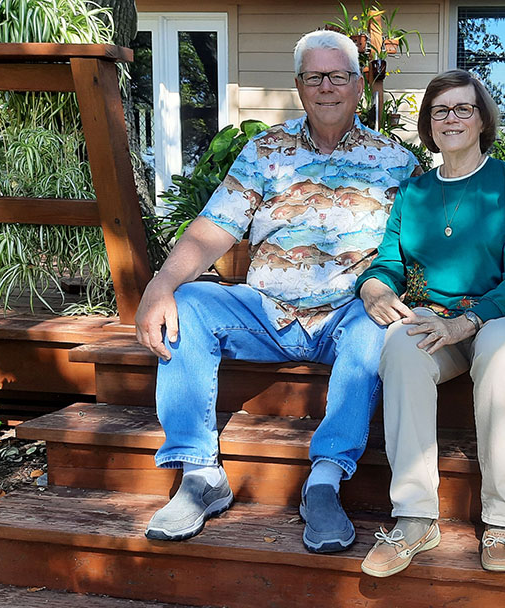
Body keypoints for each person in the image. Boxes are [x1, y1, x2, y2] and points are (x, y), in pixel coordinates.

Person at [135, 29, 420, 554]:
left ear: (359, 85)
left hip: (348, 314)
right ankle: (200, 475)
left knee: (376, 330)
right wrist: (162, 283)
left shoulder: (395, 162)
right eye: (315, 77)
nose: (327, 87)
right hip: (266, 312)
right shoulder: (266, 151)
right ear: (298, 86)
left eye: (339, 76)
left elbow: (418, 247)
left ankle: (325, 482)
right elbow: (211, 228)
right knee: (191, 303)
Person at [356, 70, 505, 576]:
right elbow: (389, 263)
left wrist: (470, 321)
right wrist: (372, 286)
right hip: (443, 324)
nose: (451, 118)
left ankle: (503, 518)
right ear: (429, 124)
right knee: (400, 344)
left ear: (483, 119)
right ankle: (416, 517)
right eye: (440, 110)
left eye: (464, 108)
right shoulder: (412, 194)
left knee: (500, 345)